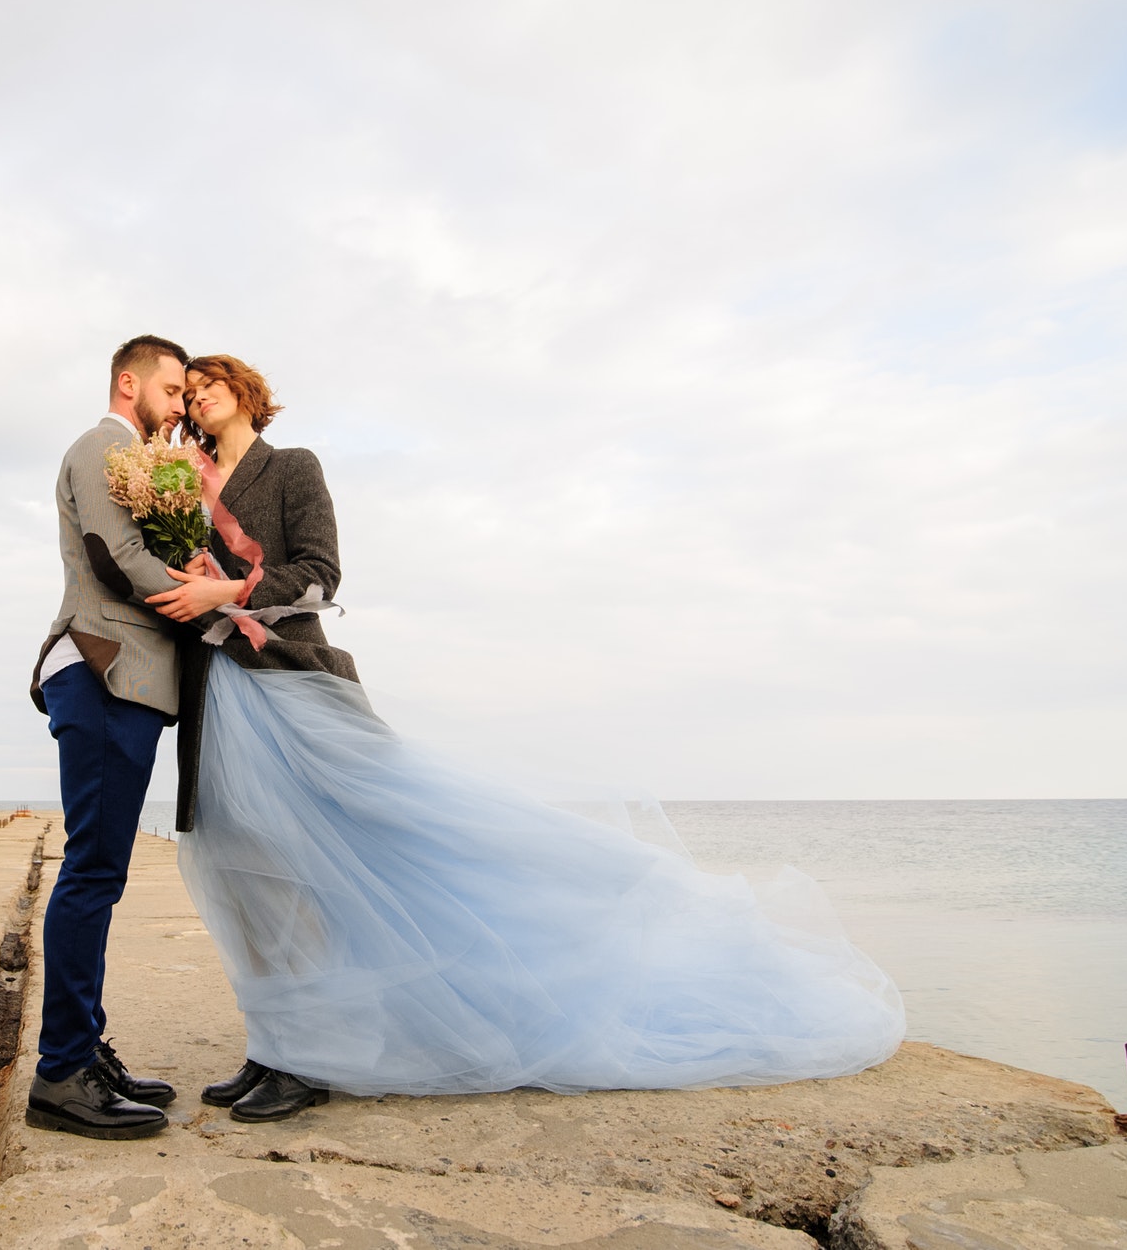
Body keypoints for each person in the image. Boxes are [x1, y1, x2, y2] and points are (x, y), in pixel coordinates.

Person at [143, 354, 906, 1123]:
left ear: (246, 392)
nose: (199, 395)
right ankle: (276, 1044)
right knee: (251, 874)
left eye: (212, 381)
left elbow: (320, 574)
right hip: (223, 695)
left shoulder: (292, 467)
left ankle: (313, 1058)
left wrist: (228, 589)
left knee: (332, 866)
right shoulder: (183, 477)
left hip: (292, 683)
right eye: (190, 386)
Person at [23, 334, 212, 1141]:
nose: (180, 409)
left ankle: (83, 1048)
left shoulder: (140, 455)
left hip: (126, 684)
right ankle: (61, 1074)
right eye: (172, 392)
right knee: (92, 871)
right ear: (128, 382)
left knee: (101, 871)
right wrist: (212, 593)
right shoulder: (102, 446)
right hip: (104, 672)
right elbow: (117, 555)